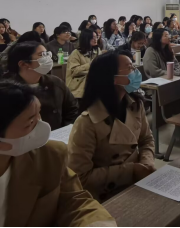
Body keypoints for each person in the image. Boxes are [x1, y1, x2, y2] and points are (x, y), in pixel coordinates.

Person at [0, 79, 116, 227]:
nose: (42, 125)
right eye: (30, 123)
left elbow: (74, 200)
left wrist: (96, 223)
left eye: (39, 114)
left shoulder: (49, 155)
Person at [68, 51, 155, 201]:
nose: (135, 72)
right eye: (129, 68)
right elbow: (81, 177)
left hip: (138, 180)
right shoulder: (86, 123)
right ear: (112, 77)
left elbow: (146, 139)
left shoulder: (135, 104)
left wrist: (146, 163)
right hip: (105, 194)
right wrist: (131, 171)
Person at [6, 42, 78, 130]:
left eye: (47, 54)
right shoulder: (8, 90)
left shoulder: (55, 82)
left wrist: (64, 130)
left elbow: (72, 109)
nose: (47, 58)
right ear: (23, 64)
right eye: (41, 55)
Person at [66, 29, 100, 100]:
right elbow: (74, 71)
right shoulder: (76, 53)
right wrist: (90, 64)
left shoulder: (97, 50)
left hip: (93, 82)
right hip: (79, 85)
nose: (95, 39)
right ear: (86, 39)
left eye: (96, 37)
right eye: (92, 38)